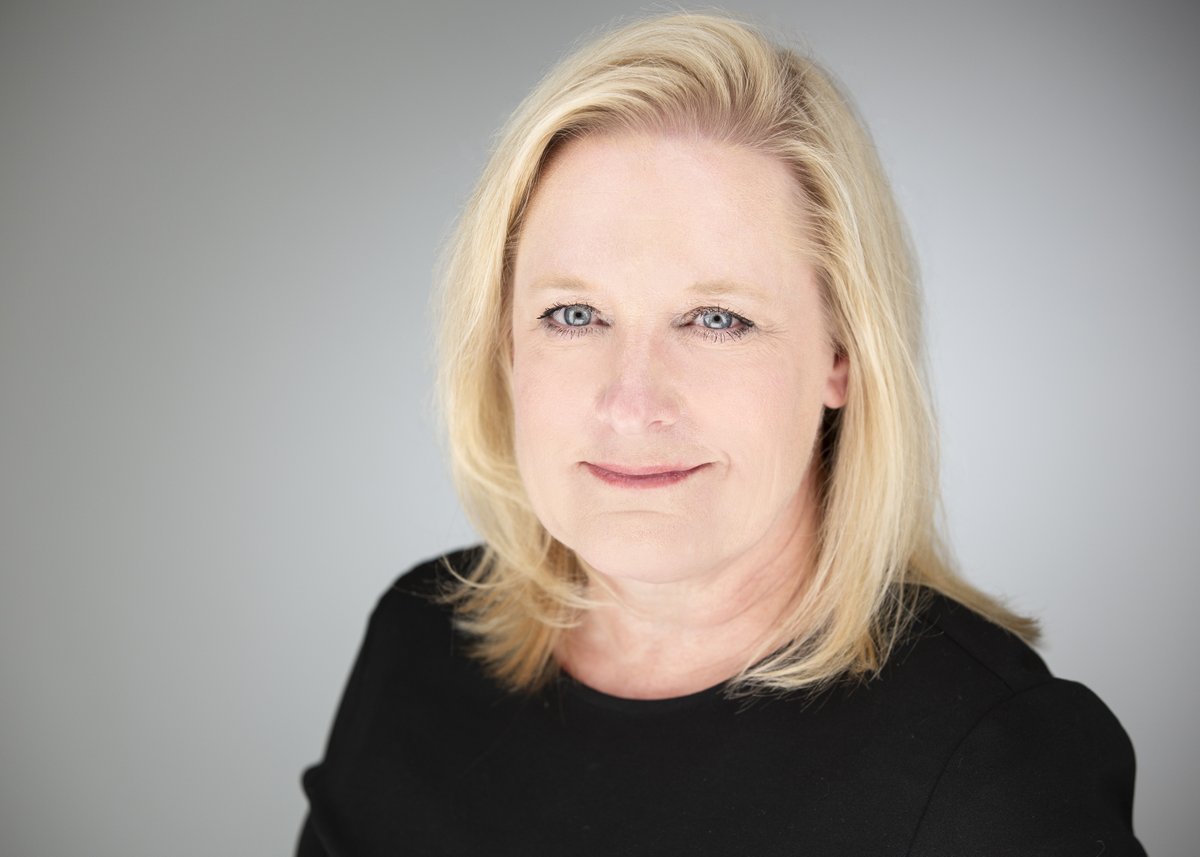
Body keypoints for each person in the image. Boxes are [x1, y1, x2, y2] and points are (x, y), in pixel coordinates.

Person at [297, 12, 1145, 855]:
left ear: (842, 356)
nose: (631, 403)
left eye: (716, 319)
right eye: (575, 313)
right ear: (504, 343)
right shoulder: (419, 645)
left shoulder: (994, 761)